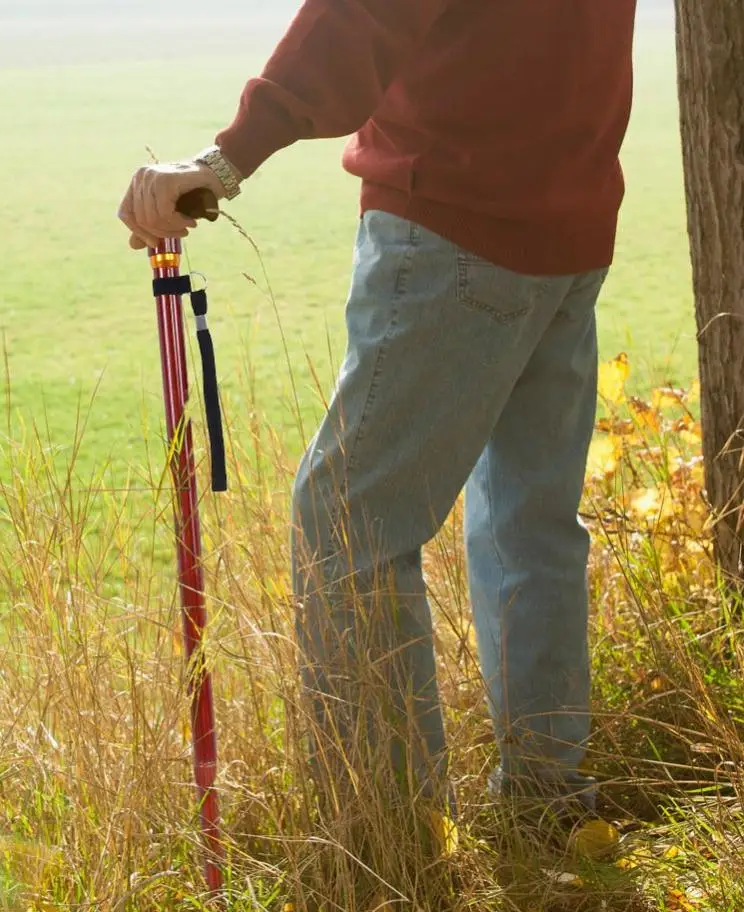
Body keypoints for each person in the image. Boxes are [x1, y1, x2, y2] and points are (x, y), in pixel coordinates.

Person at [118, 1, 639, 830]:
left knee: (345, 526)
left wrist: (226, 158)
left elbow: (361, 15)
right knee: (528, 527)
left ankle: (391, 843)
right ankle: (548, 811)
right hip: (568, 228)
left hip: (459, 225)